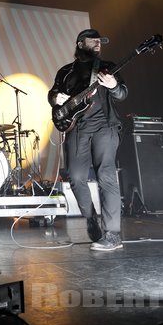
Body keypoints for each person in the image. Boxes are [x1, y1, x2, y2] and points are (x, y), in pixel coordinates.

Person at [48, 29, 128, 251]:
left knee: (106, 174)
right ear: (80, 43)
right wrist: (57, 98)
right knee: (75, 177)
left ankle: (112, 234)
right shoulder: (66, 71)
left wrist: (113, 86)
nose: (98, 43)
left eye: (100, 41)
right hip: (77, 128)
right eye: (93, 40)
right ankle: (92, 219)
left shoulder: (107, 67)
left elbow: (122, 93)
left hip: (105, 126)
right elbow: (52, 94)